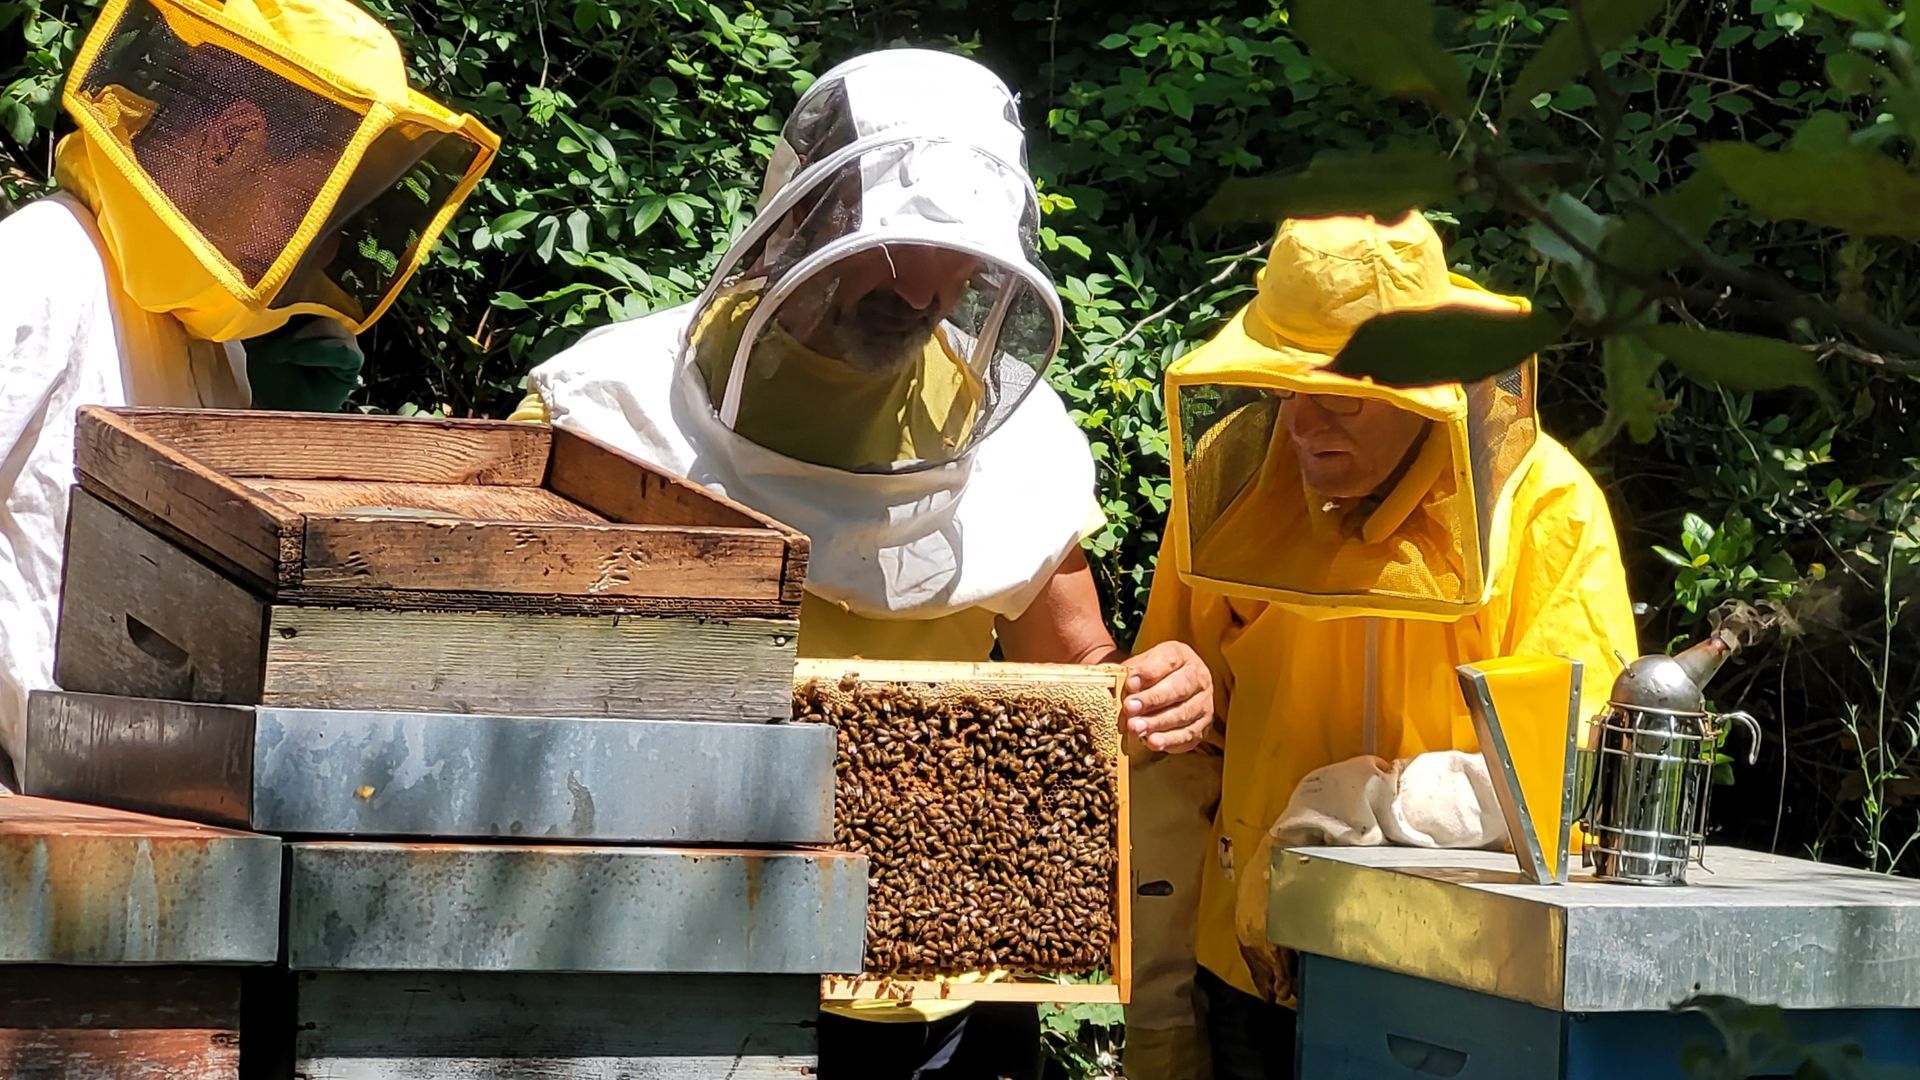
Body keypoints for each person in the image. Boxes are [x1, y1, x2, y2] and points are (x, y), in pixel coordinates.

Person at [513, 48, 1214, 1080]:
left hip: (956, 967)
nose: (922, 291)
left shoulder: (1014, 434)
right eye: (895, 246)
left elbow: (1077, 672)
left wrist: (1153, 695)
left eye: (958, 258)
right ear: (807, 212)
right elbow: (503, 684)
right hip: (684, 958)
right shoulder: (611, 409)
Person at [1123, 212, 1639, 1080]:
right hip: (1251, 961)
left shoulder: (1546, 506)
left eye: (1344, 396)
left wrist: (1367, 809)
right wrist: (1184, 693)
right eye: (1286, 387)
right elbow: (1171, 763)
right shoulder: (1238, 488)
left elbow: (1565, 764)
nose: (1302, 424)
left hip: (1456, 970)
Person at [0, 0, 499, 784]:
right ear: (232, 138)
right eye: (318, 200)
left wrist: (280, 434)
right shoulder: (40, 268)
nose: (328, 243)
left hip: (130, 789)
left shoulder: (211, 339)